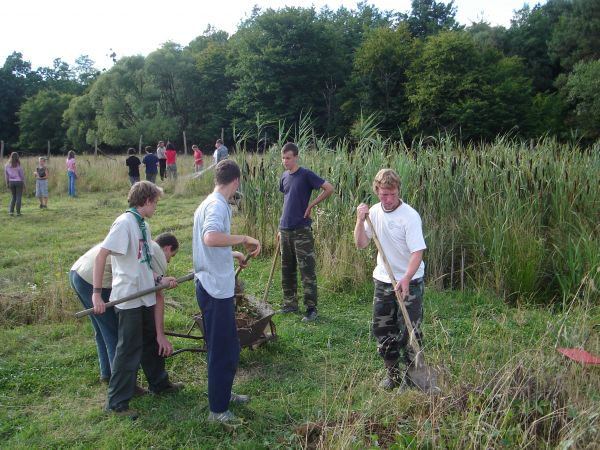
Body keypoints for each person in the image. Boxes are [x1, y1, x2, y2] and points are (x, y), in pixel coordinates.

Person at [91, 181, 183, 418]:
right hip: (129, 297)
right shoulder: (124, 223)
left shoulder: (143, 224)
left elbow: (140, 262)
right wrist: (96, 293)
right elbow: (102, 255)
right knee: (128, 349)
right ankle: (116, 403)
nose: (156, 207)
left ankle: (159, 384)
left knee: (151, 341)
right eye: (156, 203)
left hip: (144, 295)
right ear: (147, 201)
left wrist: (158, 279)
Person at [192, 159, 261, 424]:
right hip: (214, 288)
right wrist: (244, 238)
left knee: (229, 346)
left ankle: (224, 393)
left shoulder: (208, 202)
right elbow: (210, 237)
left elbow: (209, 244)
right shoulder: (217, 205)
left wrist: (231, 253)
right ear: (236, 181)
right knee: (222, 349)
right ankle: (217, 411)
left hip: (212, 282)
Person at [70, 232, 179, 386]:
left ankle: (108, 374)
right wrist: (160, 334)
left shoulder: (146, 245)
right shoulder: (157, 254)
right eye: (172, 255)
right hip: (93, 279)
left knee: (103, 329)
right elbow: (158, 296)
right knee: (115, 332)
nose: (169, 260)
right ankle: (124, 386)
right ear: (167, 248)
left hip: (78, 272)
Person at [353, 168, 427, 390]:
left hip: (410, 281)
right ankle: (392, 374)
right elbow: (361, 243)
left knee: (409, 330)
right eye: (384, 194)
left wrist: (405, 278)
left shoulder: (410, 216)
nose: (389, 199)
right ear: (377, 191)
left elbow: (417, 253)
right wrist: (359, 220)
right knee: (382, 328)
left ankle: (413, 378)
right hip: (384, 280)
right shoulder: (373, 212)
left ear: (398, 190)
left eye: (392, 194)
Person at [278, 142, 333, 322]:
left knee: (306, 270)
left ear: (296, 157)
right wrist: (280, 228)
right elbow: (286, 201)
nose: (285, 161)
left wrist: (311, 204)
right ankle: (290, 303)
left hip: (301, 230)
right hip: (285, 229)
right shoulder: (284, 177)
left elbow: (329, 188)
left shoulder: (306, 174)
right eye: (283, 158)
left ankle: (311, 308)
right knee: (287, 269)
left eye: (288, 158)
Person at [5, 152, 25, 216]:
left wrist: (7, 183)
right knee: (18, 197)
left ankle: (11, 212)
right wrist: (24, 184)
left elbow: (6, 176)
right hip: (19, 182)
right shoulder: (18, 165)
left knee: (13, 197)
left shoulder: (7, 165)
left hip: (11, 182)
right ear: (17, 157)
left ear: (11, 156)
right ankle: (18, 213)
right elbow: (22, 176)